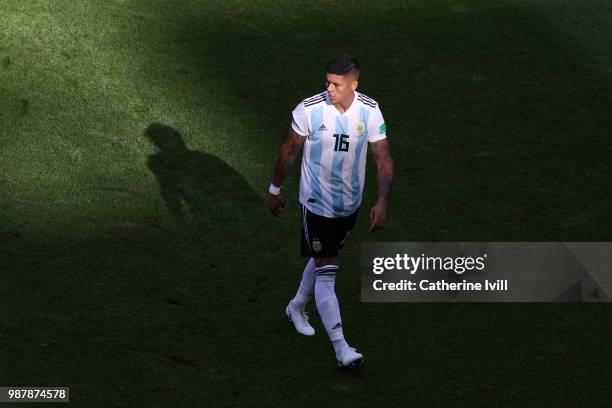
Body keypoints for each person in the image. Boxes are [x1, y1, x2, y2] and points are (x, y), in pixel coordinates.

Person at [268, 55, 393, 368]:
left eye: (337, 84)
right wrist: (275, 189)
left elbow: (383, 159)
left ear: (354, 85)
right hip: (317, 205)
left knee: (324, 256)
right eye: (327, 81)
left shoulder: (370, 109)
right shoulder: (310, 109)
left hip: (349, 205)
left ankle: (296, 307)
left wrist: (382, 200)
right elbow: (289, 150)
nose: (329, 88)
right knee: (327, 273)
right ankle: (342, 349)